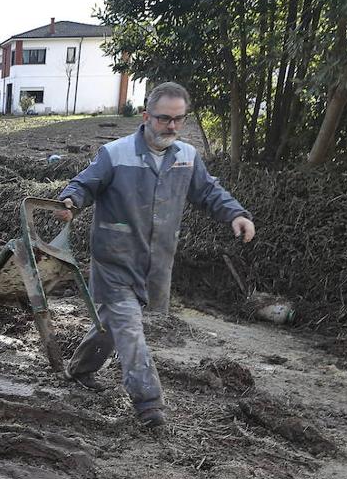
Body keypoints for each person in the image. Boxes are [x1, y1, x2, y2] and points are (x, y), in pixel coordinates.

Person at [53, 82, 255, 428]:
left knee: (111, 326)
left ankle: (79, 368)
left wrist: (236, 214)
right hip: (114, 259)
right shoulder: (116, 154)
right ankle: (149, 406)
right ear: (146, 117)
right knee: (130, 329)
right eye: (164, 119)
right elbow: (85, 183)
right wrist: (70, 201)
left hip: (156, 262)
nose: (172, 127)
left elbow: (209, 191)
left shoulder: (186, 158)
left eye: (179, 119)